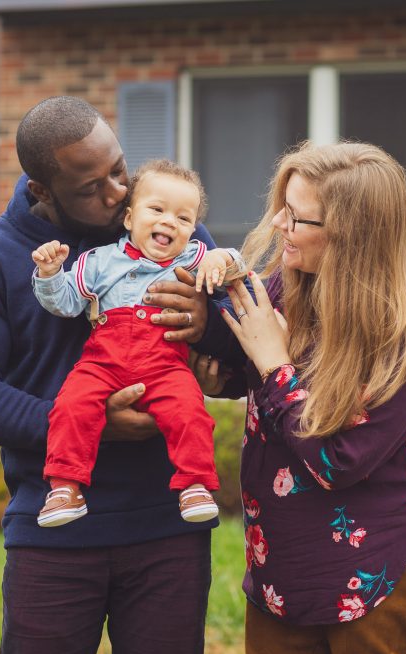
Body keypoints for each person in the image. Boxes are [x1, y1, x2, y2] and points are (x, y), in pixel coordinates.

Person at [0, 96, 226, 654]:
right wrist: (90, 423)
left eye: (119, 169)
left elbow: (237, 341)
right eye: (92, 186)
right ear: (42, 190)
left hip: (168, 525)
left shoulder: (171, 233)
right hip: (54, 531)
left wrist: (206, 325)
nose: (118, 194)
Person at [203, 141, 406, 654]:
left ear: (352, 236)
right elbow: (250, 361)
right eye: (282, 205)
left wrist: (273, 364)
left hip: (385, 554)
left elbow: (339, 461)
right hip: (285, 549)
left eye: (297, 217)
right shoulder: (293, 279)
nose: (278, 223)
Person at [31, 158, 245, 527]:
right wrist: (50, 274)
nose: (168, 222)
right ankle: (65, 486)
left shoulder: (192, 259)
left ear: (193, 230)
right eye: (157, 209)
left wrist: (220, 257)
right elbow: (65, 304)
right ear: (129, 219)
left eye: (182, 218)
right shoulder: (97, 261)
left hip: (165, 363)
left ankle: (194, 484)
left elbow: (237, 264)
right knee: (71, 405)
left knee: (189, 409)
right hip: (102, 361)